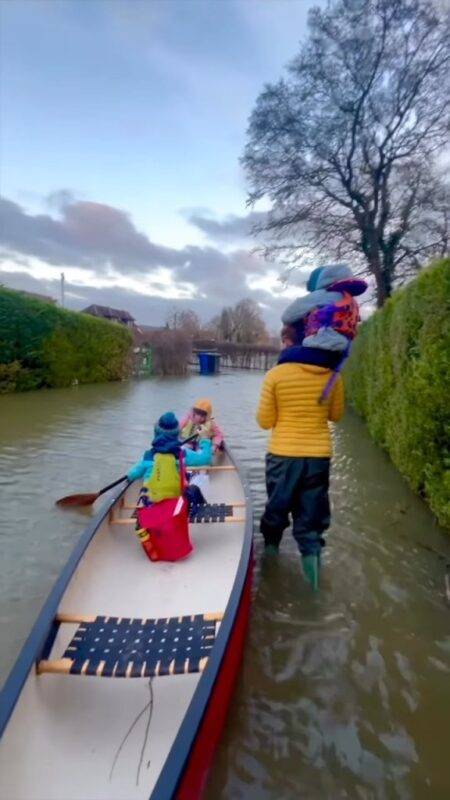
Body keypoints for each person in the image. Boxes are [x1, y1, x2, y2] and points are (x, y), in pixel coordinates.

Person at [256, 326, 344, 590]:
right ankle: (314, 591)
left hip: (283, 455)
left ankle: (270, 574)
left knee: (276, 512)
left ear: (288, 343)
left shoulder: (275, 375)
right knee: (311, 523)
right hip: (318, 457)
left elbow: (264, 421)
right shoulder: (333, 376)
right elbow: (336, 416)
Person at [282, 263, 367, 354]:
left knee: (288, 356)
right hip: (345, 348)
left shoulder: (323, 295)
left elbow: (287, 316)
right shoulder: (352, 302)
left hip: (319, 345)